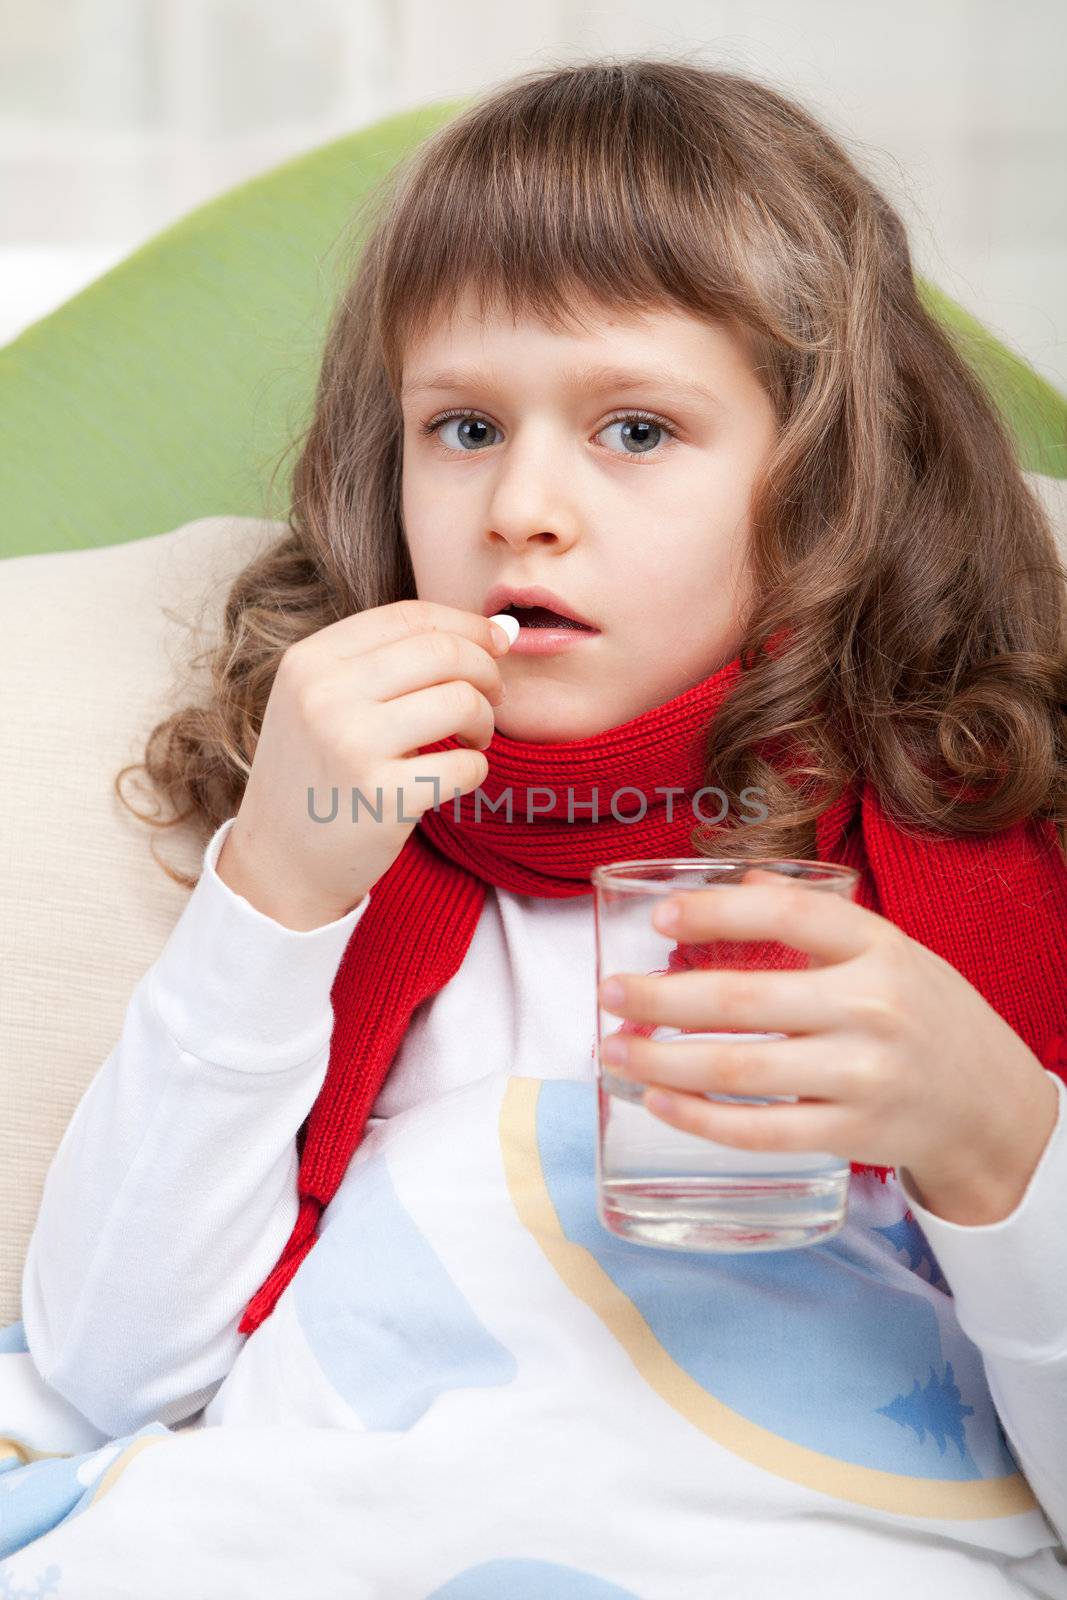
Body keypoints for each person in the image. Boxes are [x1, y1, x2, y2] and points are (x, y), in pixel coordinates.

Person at [18, 56, 1067, 1593]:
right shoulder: (355, 840)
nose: (522, 506)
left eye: (636, 431)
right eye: (463, 428)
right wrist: (279, 887)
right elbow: (108, 1371)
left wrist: (996, 1139)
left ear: (828, 485)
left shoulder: (978, 852)